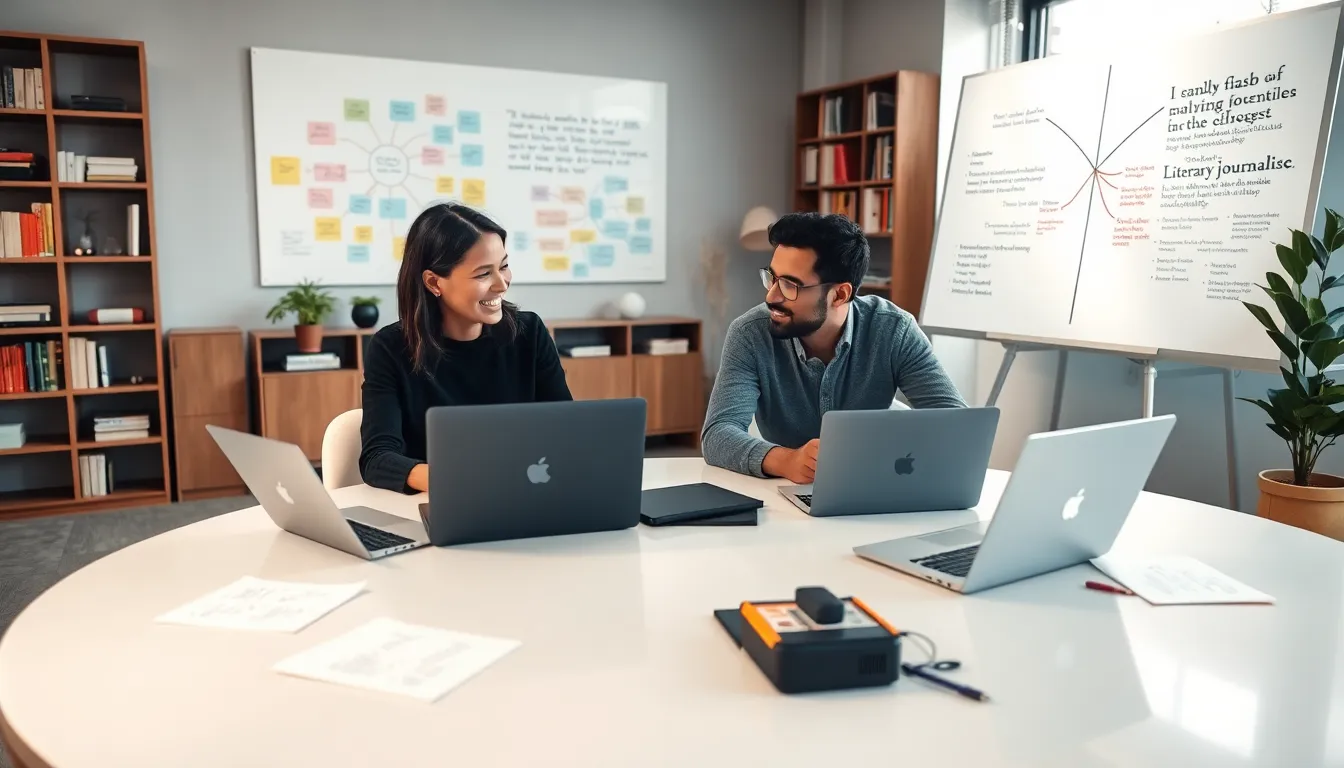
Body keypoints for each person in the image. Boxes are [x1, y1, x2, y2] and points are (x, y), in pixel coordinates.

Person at [701, 211, 966, 484]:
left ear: (839, 294)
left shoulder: (894, 329)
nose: (772, 296)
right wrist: (787, 460)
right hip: (788, 492)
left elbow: (959, 426)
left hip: (875, 483)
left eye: (790, 285)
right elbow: (719, 433)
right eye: (772, 277)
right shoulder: (749, 334)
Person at [359, 202, 572, 494]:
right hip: (443, 503)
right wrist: (454, 478)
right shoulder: (390, 348)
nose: (501, 284)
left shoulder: (530, 333)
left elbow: (567, 431)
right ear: (434, 282)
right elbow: (377, 458)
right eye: (483, 274)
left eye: (504, 266)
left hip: (527, 493)